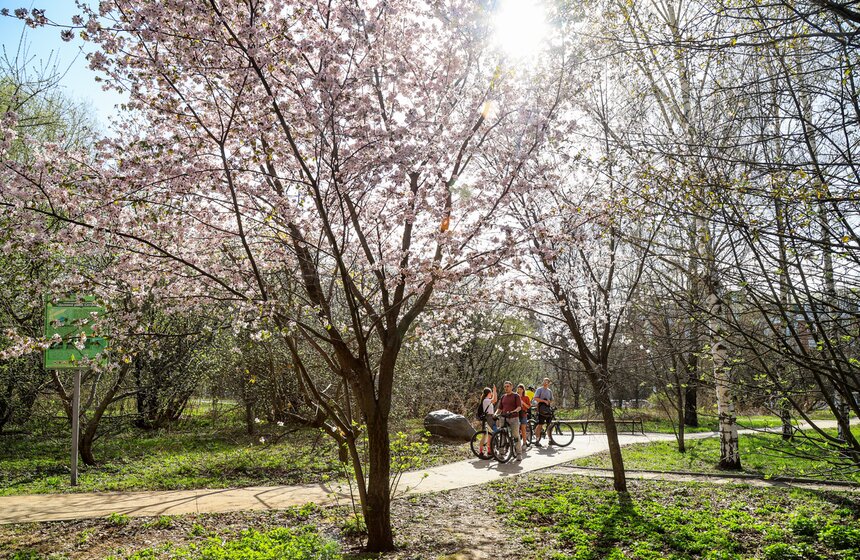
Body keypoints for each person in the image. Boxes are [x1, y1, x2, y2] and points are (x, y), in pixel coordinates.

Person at [496, 380, 523, 460]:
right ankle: (501, 453)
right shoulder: (503, 397)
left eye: (508, 386)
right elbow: (499, 408)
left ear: (511, 387)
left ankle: (519, 453)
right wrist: (495, 414)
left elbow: (519, 407)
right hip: (504, 418)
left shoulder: (516, 396)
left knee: (515, 435)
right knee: (502, 435)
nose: (506, 388)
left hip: (514, 418)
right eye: (505, 387)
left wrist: (513, 411)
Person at [532, 377, 553, 447]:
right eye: (544, 381)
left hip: (547, 409)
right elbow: (535, 398)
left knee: (549, 424)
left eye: (547, 381)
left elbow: (551, 400)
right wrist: (544, 401)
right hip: (540, 409)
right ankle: (537, 440)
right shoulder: (539, 389)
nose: (545, 382)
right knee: (540, 424)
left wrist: (549, 401)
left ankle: (550, 440)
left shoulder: (549, 391)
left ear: (549, 383)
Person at [478, 385, 497, 457]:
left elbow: (495, 399)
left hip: (489, 417)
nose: (492, 394)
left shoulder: (487, 400)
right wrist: (495, 390)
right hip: (488, 418)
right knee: (488, 435)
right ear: (488, 393)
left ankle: (488, 451)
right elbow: (494, 399)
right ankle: (483, 451)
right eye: (491, 392)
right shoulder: (486, 400)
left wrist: (495, 391)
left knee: (488, 435)